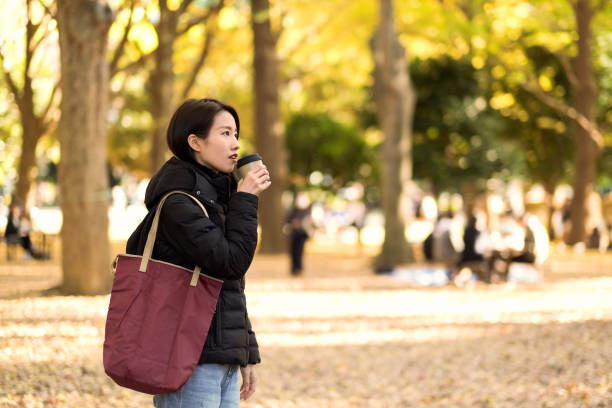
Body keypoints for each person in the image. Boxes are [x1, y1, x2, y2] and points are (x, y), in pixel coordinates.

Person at [126, 98, 271, 407]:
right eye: (225, 133)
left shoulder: (217, 198)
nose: (235, 144)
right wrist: (245, 200)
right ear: (195, 142)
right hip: (188, 359)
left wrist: (244, 353)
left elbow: (228, 286)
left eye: (235, 134)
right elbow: (231, 263)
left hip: (220, 356)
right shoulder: (179, 203)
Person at [285, 191, 312, 276]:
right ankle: (294, 269)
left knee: (300, 251)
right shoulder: (293, 210)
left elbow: (308, 221)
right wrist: (293, 223)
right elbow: (287, 220)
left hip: (302, 234)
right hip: (294, 233)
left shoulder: (307, 210)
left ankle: (299, 268)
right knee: (293, 251)